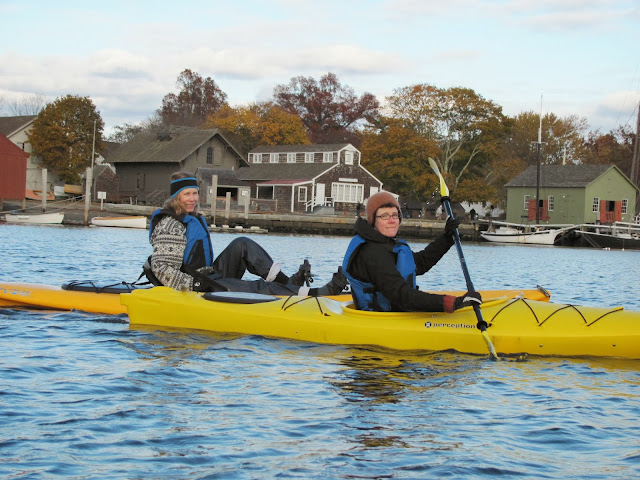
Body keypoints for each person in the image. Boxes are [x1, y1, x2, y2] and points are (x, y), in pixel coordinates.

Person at [144, 172, 347, 296]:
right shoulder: (170, 225)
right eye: (186, 194)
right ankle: (314, 293)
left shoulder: (192, 217)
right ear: (176, 198)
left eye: (195, 193)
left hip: (207, 275)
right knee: (255, 286)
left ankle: (288, 284)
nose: (192, 199)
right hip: (195, 283)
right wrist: (194, 284)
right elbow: (162, 268)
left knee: (242, 244)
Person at [342, 191, 482, 312]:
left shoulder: (384, 245)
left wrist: (446, 238)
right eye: (384, 216)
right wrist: (452, 303)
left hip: (397, 313)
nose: (392, 220)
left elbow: (420, 263)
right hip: (380, 320)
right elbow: (401, 295)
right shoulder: (371, 252)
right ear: (372, 221)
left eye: (395, 215)